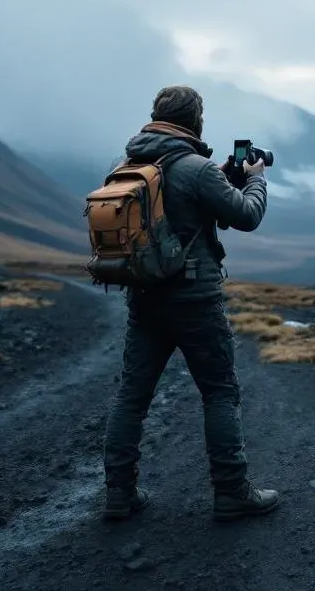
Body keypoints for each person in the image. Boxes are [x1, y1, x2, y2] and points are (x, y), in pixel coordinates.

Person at [101, 84, 280, 522]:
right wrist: (255, 179)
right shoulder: (197, 169)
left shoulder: (125, 166)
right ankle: (232, 492)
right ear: (195, 121)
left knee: (132, 396)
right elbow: (246, 215)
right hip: (196, 299)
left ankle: (119, 494)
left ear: (156, 117)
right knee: (219, 392)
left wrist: (216, 176)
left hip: (144, 296)